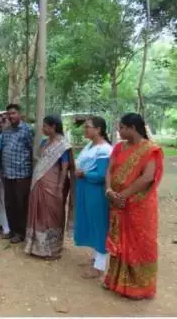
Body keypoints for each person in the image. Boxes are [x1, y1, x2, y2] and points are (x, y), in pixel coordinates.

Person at [104, 113, 163, 300]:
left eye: (122, 127)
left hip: (139, 205)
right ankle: (116, 281)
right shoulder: (119, 147)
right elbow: (109, 169)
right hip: (117, 203)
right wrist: (108, 191)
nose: (119, 131)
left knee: (139, 242)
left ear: (132, 128)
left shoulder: (150, 150)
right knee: (120, 241)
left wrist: (122, 195)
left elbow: (147, 178)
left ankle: (139, 286)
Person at [25, 115, 74, 259]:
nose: (43, 129)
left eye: (45, 126)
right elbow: (41, 161)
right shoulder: (44, 142)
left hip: (53, 184)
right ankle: (36, 246)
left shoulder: (63, 145)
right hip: (39, 182)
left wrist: (59, 187)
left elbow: (65, 167)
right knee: (38, 213)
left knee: (52, 214)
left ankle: (53, 249)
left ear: (53, 127)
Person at [74, 117, 112, 279]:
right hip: (86, 188)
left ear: (98, 130)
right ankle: (96, 258)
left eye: (88, 127)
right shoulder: (91, 146)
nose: (85, 130)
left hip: (96, 191)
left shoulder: (104, 150)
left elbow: (103, 175)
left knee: (99, 225)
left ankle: (100, 267)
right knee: (92, 223)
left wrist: (84, 173)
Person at [1, 104, 34, 243]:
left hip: (22, 175)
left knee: (21, 204)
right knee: (9, 204)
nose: (11, 116)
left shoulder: (27, 130)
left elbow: (32, 150)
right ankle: (13, 230)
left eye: (13, 113)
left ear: (19, 114)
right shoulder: (6, 131)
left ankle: (22, 233)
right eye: (9, 114)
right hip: (7, 174)